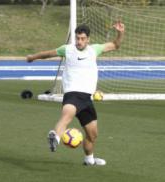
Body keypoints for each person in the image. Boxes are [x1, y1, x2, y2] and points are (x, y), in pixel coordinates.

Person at [26, 21, 125, 166]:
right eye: (77, 38)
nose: (79, 41)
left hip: (86, 99)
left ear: (88, 39)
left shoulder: (94, 49)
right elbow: (48, 54)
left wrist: (120, 33)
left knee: (92, 134)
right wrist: (32, 57)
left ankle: (89, 160)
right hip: (72, 94)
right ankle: (55, 138)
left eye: (82, 38)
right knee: (66, 117)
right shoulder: (67, 49)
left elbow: (115, 45)